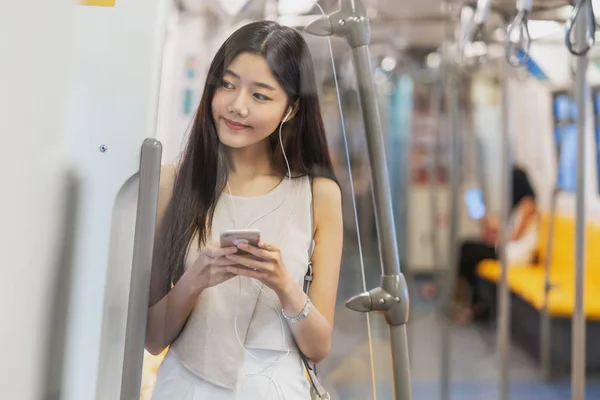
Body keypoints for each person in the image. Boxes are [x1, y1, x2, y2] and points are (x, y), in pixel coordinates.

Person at [145, 21, 344, 399]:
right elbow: (154, 339)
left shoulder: (318, 195)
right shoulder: (171, 184)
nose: (237, 106)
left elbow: (319, 346)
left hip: (277, 389)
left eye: (261, 96)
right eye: (228, 84)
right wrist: (197, 278)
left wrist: (285, 285)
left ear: (291, 109)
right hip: (184, 387)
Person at [455, 165, 539, 321]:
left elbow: (515, 236)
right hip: (508, 249)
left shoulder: (529, 205)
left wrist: (499, 232)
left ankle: (468, 301)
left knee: (469, 252)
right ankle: (473, 301)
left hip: (516, 254)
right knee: (467, 247)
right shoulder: (520, 205)